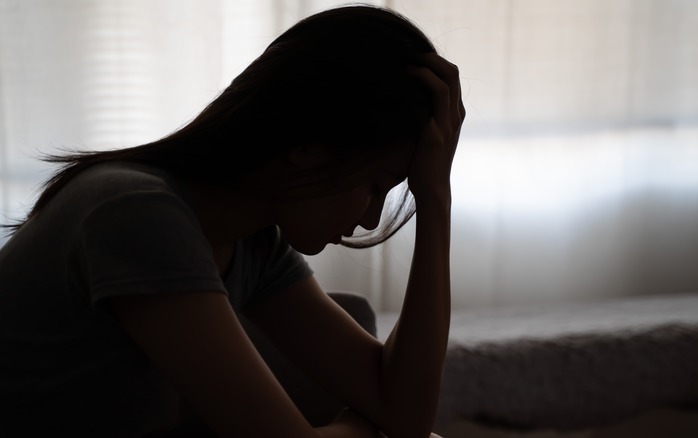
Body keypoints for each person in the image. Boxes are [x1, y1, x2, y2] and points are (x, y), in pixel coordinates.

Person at [0, 4, 464, 438]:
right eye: (375, 185)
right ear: (305, 144)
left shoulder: (251, 243)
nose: (371, 218)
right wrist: (365, 427)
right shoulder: (134, 211)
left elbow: (406, 415)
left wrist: (436, 198)